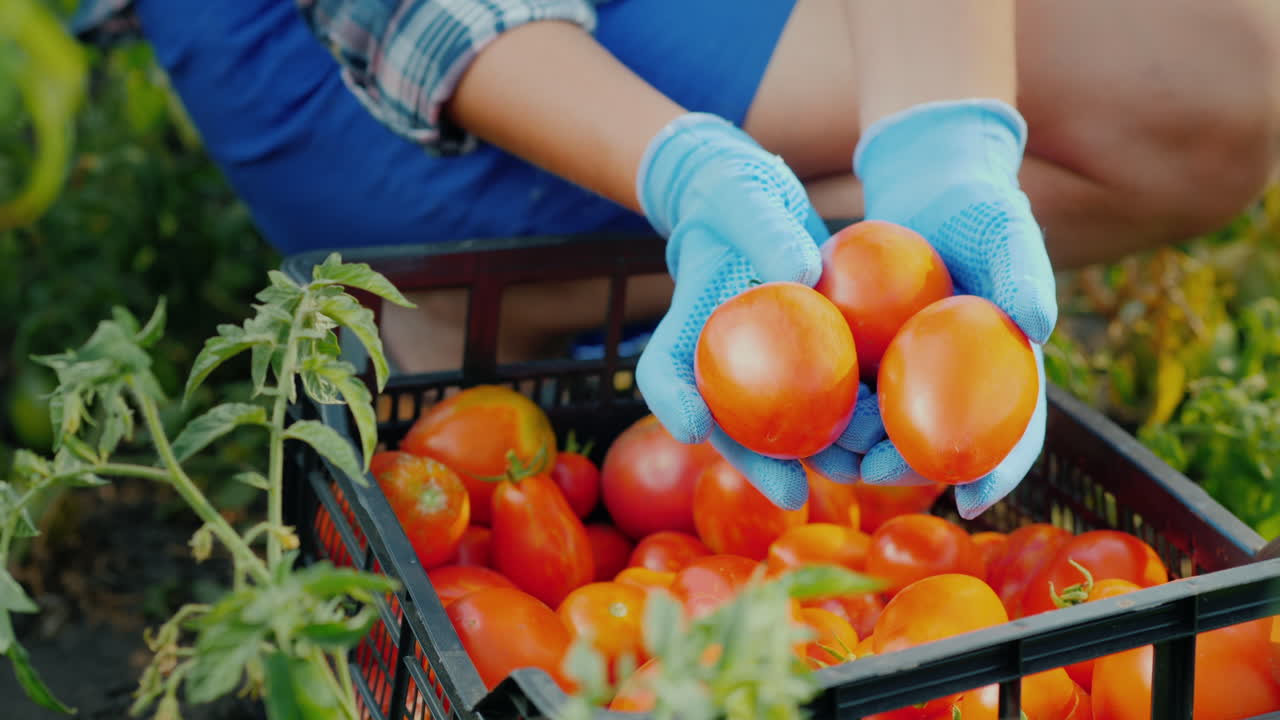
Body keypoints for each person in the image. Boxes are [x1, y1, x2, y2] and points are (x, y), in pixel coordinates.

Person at [71, 0, 1280, 519]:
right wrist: (679, 167)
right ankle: (481, 291)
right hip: (339, 47)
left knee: (1220, 65)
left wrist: (945, 130)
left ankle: (654, 278)